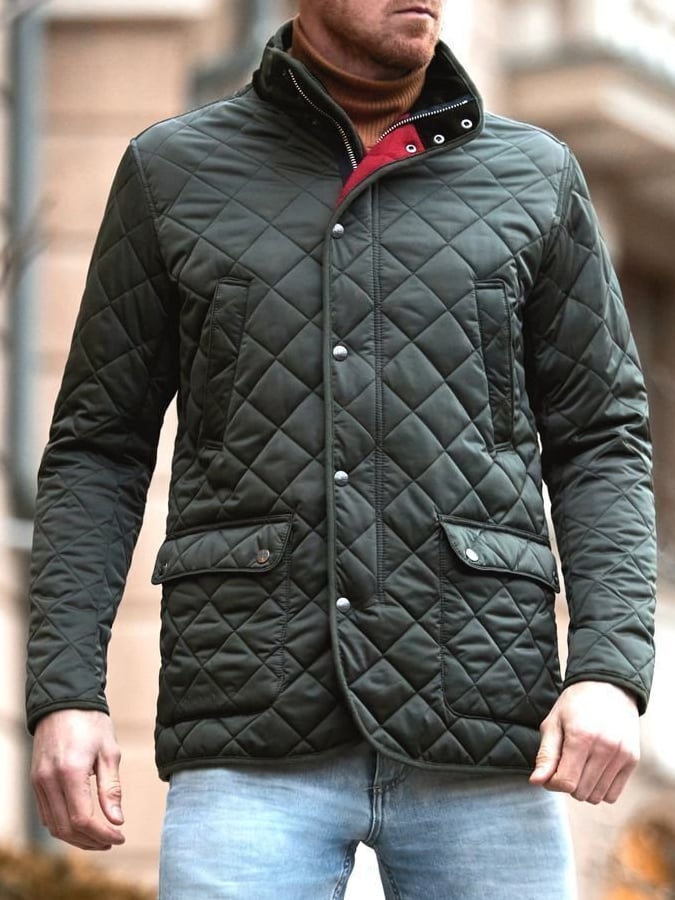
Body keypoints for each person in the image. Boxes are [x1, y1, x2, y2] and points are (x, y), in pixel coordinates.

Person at [26, 1, 656, 897]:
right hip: (250, 712)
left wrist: (609, 670)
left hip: (484, 717)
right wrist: (66, 691)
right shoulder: (172, 172)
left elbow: (600, 440)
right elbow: (99, 448)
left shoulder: (536, 176)